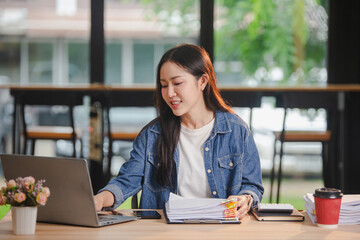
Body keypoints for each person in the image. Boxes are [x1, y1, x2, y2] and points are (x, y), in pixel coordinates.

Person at [94, 43, 264, 220]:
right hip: (165, 231)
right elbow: (125, 181)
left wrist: (246, 198)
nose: (169, 93)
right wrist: (99, 199)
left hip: (221, 230)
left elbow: (252, 186)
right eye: (164, 85)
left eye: (177, 83)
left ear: (203, 81)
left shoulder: (236, 131)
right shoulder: (152, 135)